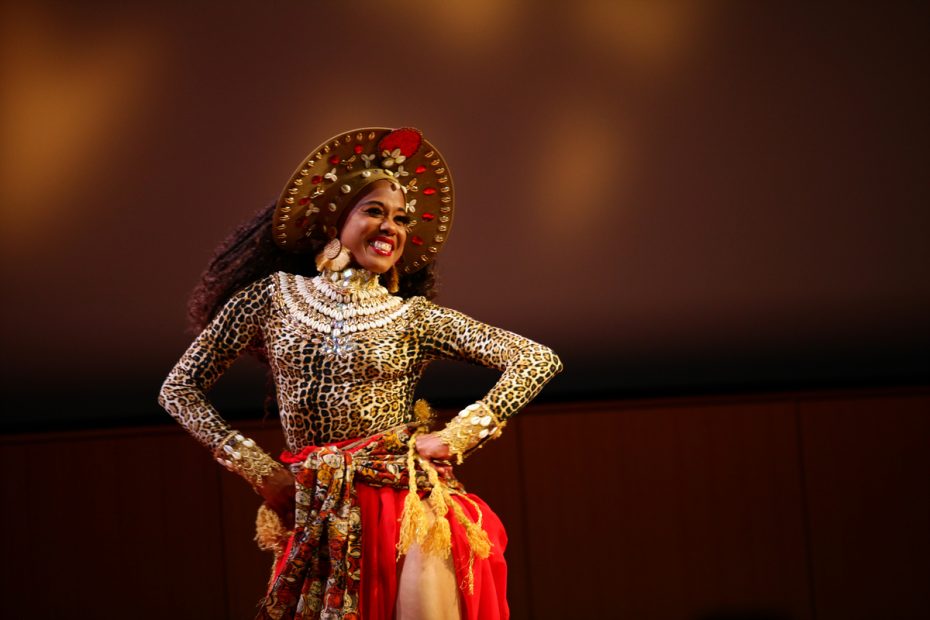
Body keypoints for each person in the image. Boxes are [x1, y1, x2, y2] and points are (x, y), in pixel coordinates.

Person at [159, 127, 562, 619]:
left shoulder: (412, 318)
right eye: (374, 211)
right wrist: (261, 472)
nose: (390, 226)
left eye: (401, 218)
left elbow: (536, 359)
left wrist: (459, 436)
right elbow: (179, 389)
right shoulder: (271, 298)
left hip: (403, 513)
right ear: (334, 221)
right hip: (318, 513)